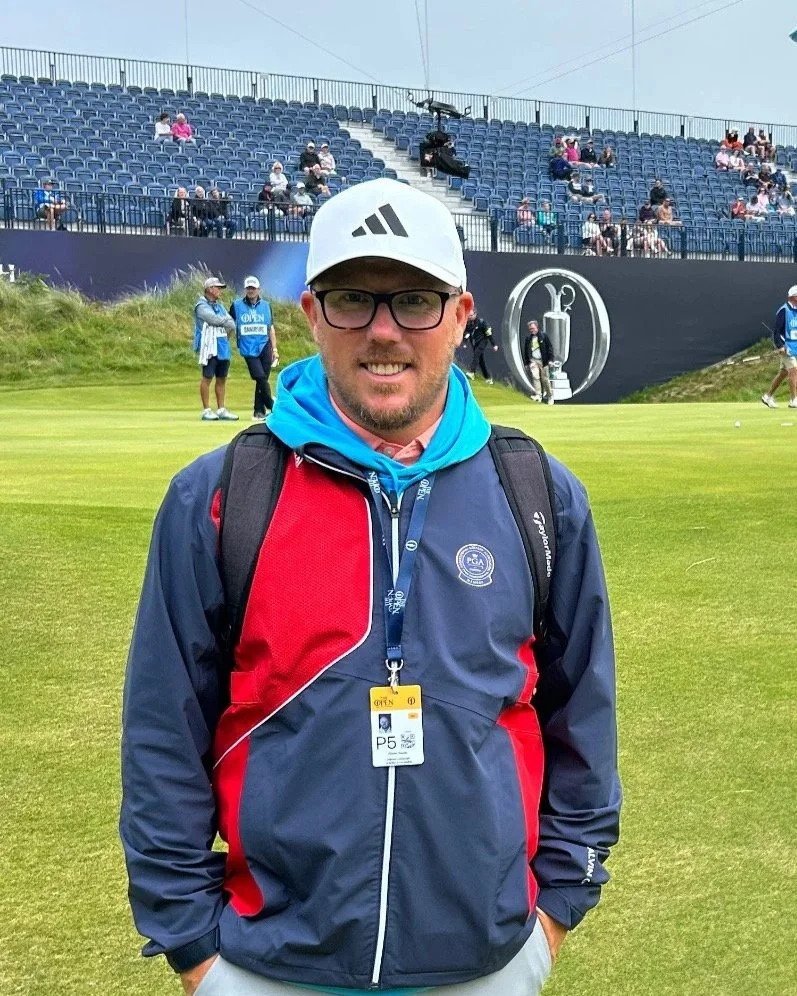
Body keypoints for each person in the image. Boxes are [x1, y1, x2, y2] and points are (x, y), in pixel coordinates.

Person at [121, 177, 620, 996]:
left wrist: (556, 910)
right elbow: (161, 735)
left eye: (415, 301)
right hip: (265, 967)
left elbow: (582, 719)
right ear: (312, 314)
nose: (383, 331)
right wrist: (194, 951)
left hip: (489, 962)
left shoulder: (537, 492)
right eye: (353, 299)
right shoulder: (219, 495)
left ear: (459, 315)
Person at [230, 275, 279, 421]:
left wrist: (274, 349)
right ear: (245, 289)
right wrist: (224, 340)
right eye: (248, 288)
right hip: (248, 347)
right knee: (260, 377)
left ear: (258, 289)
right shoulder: (236, 305)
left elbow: (270, 328)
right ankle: (272, 405)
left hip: (265, 346)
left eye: (253, 288)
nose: (251, 291)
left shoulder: (266, 306)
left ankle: (258, 412)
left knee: (262, 380)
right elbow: (229, 324)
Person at [192, 276, 239, 421]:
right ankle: (206, 410)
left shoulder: (220, 306)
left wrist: (225, 322)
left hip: (222, 346)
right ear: (210, 289)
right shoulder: (201, 306)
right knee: (207, 377)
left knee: (221, 378)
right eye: (217, 288)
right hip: (209, 347)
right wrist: (226, 320)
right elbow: (213, 319)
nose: (220, 291)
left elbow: (232, 324)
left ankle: (221, 409)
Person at [762, 286, 797, 409]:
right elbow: (777, 332)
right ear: (794, 297)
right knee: (794, 370)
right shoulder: (783, 311)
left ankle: (767, 396)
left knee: (783, 373)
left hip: (795, 347)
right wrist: (780, 346)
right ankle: (794, 400)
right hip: (787, 348)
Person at [522, 319, 554, 404]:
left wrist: (550, 360)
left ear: (537, 327)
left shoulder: (543, 336)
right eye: (530, 329)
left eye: (533, 328)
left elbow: (549, 348)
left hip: (543, 361)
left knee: (545, 379)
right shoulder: (528, 338)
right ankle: (538, 395)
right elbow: (526, 351)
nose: (531, 330)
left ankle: (550, 396)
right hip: (533, 360)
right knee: (535, 377)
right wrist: (527, 362)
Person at [463, 307, 498, 383]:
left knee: (476, 355)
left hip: (482, 342)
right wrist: (464, 342)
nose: (469, 317)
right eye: (469, 315)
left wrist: (494, 345)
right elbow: (467, 333)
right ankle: (488, 378)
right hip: (475, 343)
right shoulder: (468, 323)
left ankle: (472, 373)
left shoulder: (482, 322)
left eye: (471, 315)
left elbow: (488, 333)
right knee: (481, 361)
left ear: (475, 314)